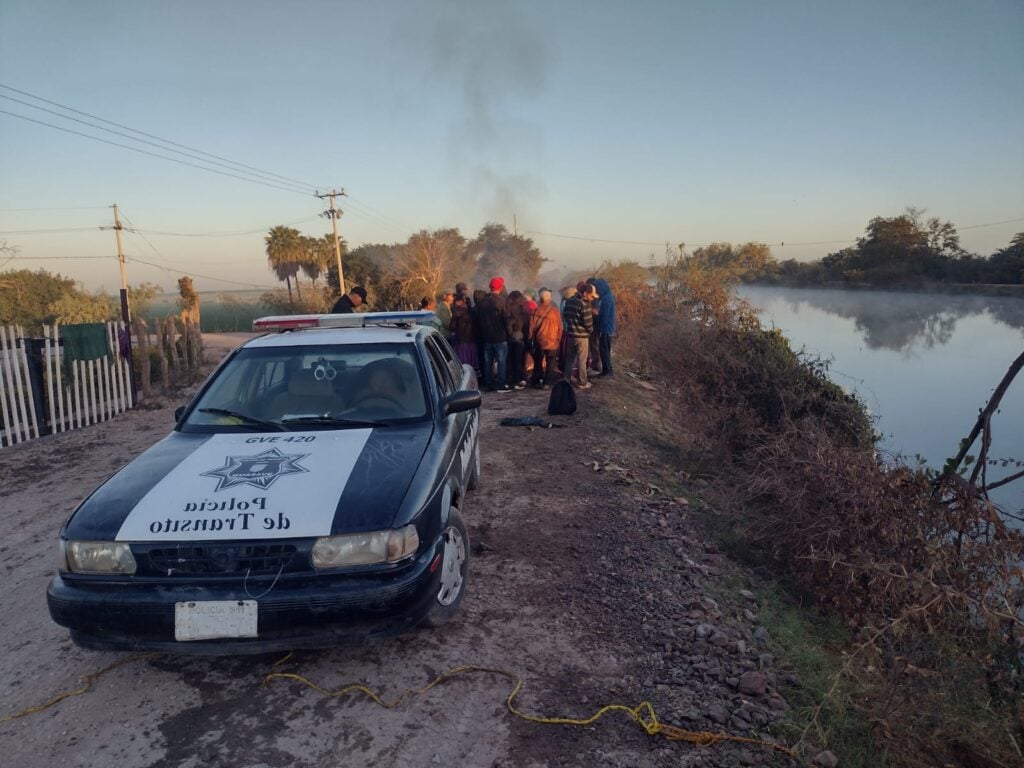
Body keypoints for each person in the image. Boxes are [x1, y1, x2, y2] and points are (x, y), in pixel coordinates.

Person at [476, 277, 511, 392]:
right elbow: (506, 320)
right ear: (500, 288)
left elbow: (479, 321)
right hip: (500, 338)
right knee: (501, 362)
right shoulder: (502, 301)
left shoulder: (482, 302)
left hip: (487, 337)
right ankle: (501, 384)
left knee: (488, 363)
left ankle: (488, 384)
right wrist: (509, 334)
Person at [562, 281, 594, 389]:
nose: (592, 298)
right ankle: (582, 382)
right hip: (582, 336)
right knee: (582, 359)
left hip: (571, 334)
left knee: (569, 358)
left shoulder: (569, 301)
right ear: (585, 293)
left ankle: (566, 378)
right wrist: (590, 331)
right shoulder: (585, 303)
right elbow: (588, 323)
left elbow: (565, 316)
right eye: (591, 295)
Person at [529, 288, 562, 388]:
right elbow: (560, 327)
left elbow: (531, 327)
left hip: (540, 341)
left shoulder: (535, 311)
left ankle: (537, 381)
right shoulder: (555, 312)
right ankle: (547, 383)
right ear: (550, 299)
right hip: (552, 341)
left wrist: (530, 339)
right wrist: (558, 339)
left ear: (540, 299)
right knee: (550, 363)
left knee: (538, 362)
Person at [589, 277, 616, 376]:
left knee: (604, 350)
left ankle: (608, 371)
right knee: (604, 350)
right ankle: (606, 370)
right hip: (607, 328)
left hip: (606, 329)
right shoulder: (607, 296)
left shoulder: (607, 299)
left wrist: (597, 315)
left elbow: (604, 315)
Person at [506, 290, 529, 389]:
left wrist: (509, 333)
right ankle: (517, 380)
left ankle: (508, 379)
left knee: (509, 360)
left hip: (509, 338)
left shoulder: (507, 310)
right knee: (519, 360)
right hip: (520, 337)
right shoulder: (523, 311)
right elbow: (526, 325)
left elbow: (507, 324)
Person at [450, 294, 478, 370]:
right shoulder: (471, 310)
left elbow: (452, 326)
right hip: (472, 339)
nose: (454, 303)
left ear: (460, 301)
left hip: (461, 340)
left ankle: (465, 371)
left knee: (463, 359)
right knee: (472, 358)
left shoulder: (457, 312)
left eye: (456, 301)